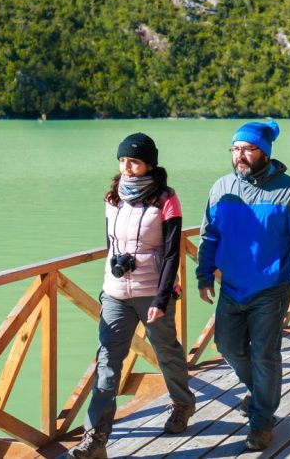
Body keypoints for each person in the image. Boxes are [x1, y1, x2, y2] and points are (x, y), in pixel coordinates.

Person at [67, 133, 195, 459]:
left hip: (153, 292)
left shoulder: (166, 199)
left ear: (149, 164)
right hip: (115, 293)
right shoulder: (113, 197)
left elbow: (171, 254)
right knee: (108, 362)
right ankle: (95, 439)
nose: (127, 167)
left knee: (166, 351)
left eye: (134, 161)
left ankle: (182, 404)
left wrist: (162, 299)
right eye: (122, 160)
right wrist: (111, 278)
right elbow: (112, 244)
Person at [196, 120, 290, 452]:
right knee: (227, 346)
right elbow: (209, 236)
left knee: (265, 355)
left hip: (272, 286)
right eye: (235, 149)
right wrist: (204, 275)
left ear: (264, 153)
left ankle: (261, 421)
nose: (239, 155)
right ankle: (262, 392)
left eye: (247, 149)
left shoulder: (288, 190)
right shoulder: (221, 188)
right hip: (231, 287)